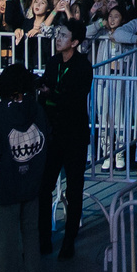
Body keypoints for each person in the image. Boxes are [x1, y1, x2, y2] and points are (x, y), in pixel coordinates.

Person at [0, 62, 54, 272]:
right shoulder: (38, 109)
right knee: (32, 230)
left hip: (9, 181)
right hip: (34, 180)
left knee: (9, 235)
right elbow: (47, 139)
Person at [40, 21, 95, 258]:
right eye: (58, 34)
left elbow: (72, 97)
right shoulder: (53, 62)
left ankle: (69, 239)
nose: (58, 38)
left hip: (74, 134)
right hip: (52, 134)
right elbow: (45, 89)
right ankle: (43, 238)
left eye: (63, 35)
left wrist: (52, 94)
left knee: (74, 188)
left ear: (75, 42)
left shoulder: (83, 66)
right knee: (44, 187)